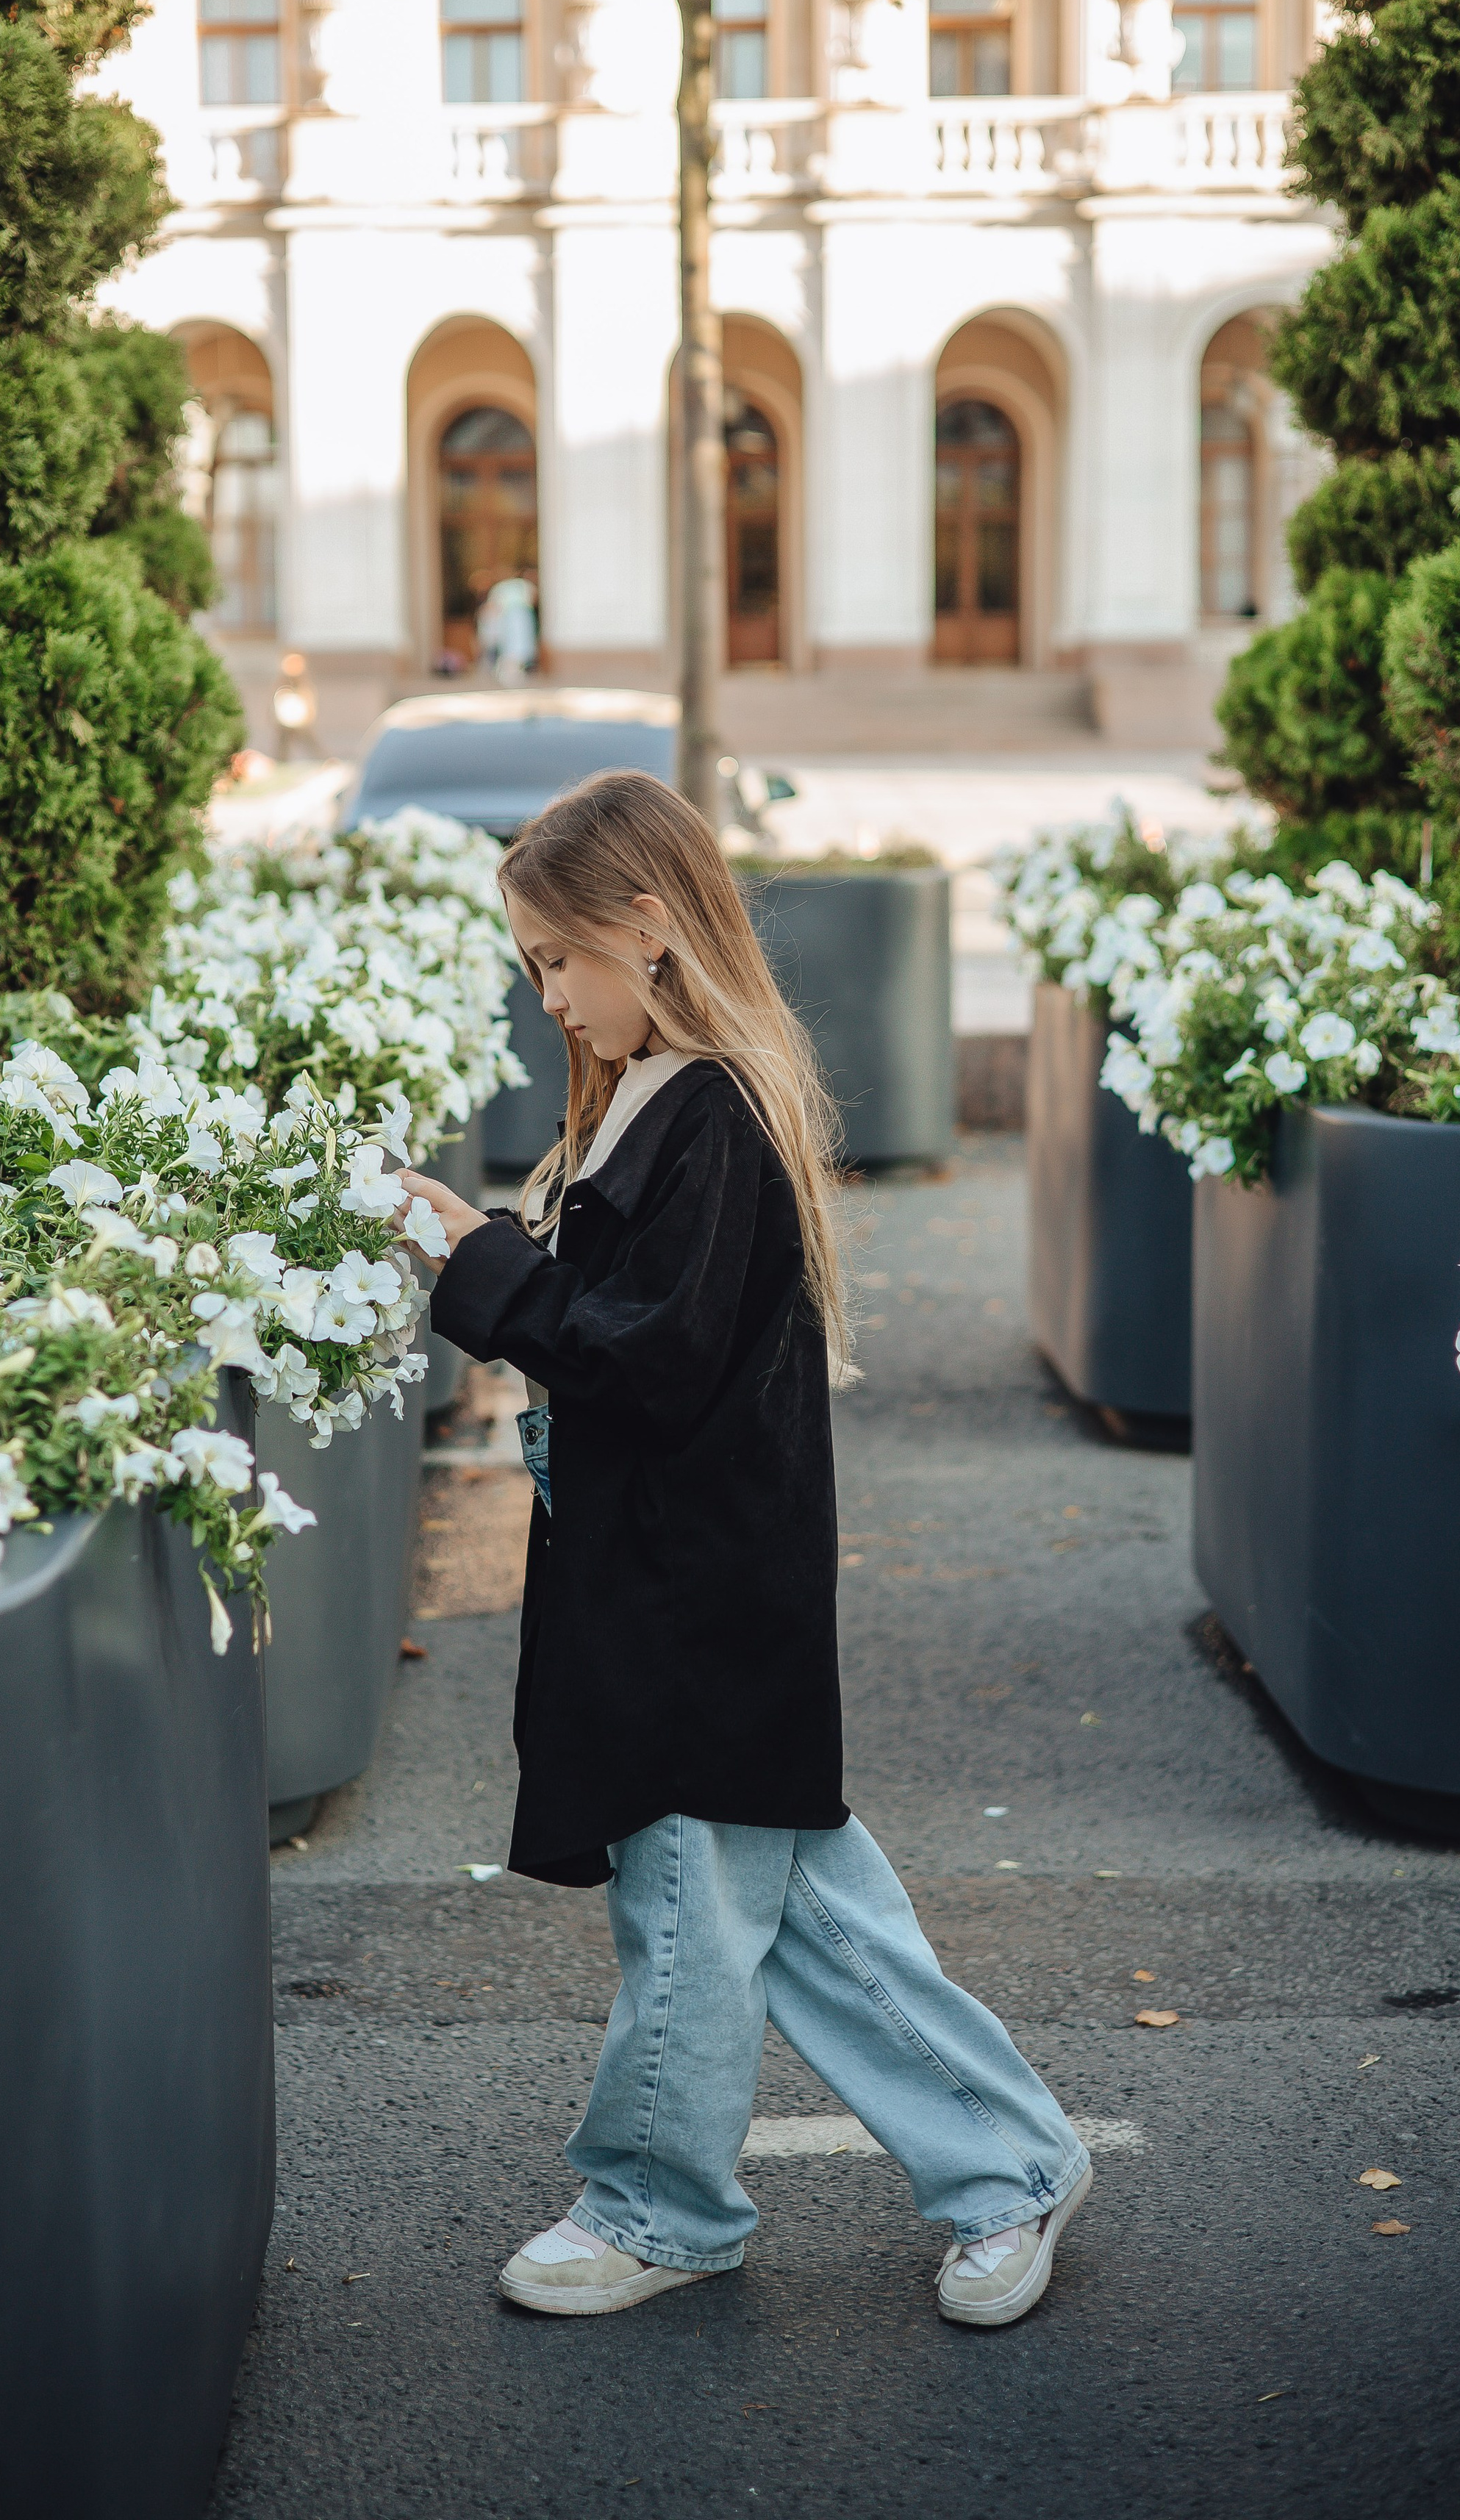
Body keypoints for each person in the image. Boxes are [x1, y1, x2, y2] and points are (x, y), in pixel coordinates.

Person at [391, 771, 1089, 2324]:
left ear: (644, 929)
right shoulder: (666, 1103)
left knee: (691, 1917)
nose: (548, 999)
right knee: (808, 1919)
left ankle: (658, 2204)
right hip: (683, 1588)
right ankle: (1012, 2169)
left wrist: (481, 1265)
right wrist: (485, 1247)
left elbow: (649, 1357)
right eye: (531, 969)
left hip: (695, 1600)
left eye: (556, 960)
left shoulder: (705, 1115)